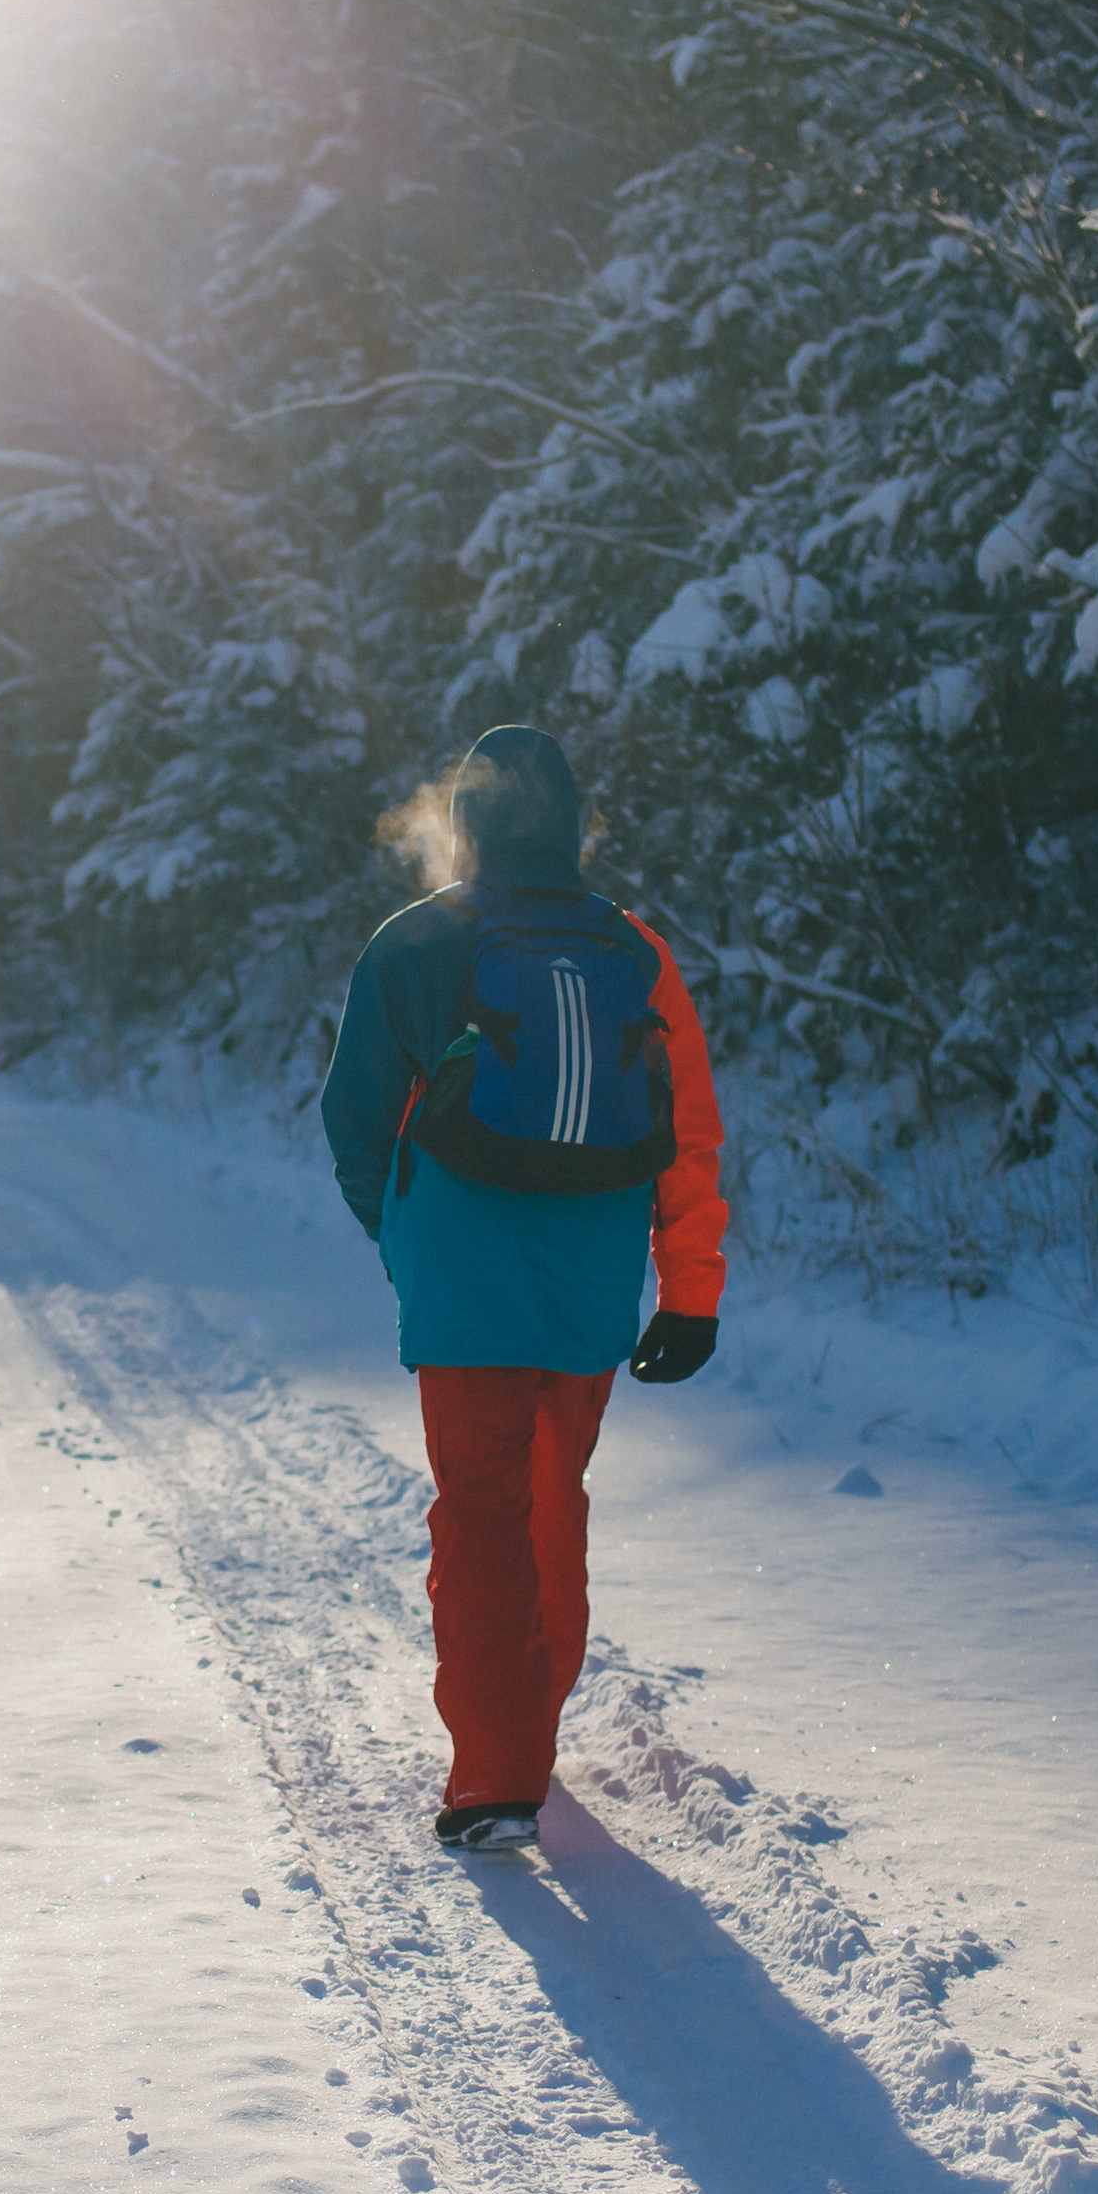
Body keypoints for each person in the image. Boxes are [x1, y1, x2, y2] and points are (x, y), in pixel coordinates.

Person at [320, 724, 725, 1856]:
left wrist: (403, 1241)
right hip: (592, 1276)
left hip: (463, 1280)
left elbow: (353, 1119)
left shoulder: (414, 942)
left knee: (479, 1515)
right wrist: (687, 1288)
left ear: (467, 823)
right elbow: (685, 1132)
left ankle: (497, 1773)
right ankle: (528, 1727)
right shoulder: (634, 950)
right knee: (555, 1497)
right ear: (571, 820)